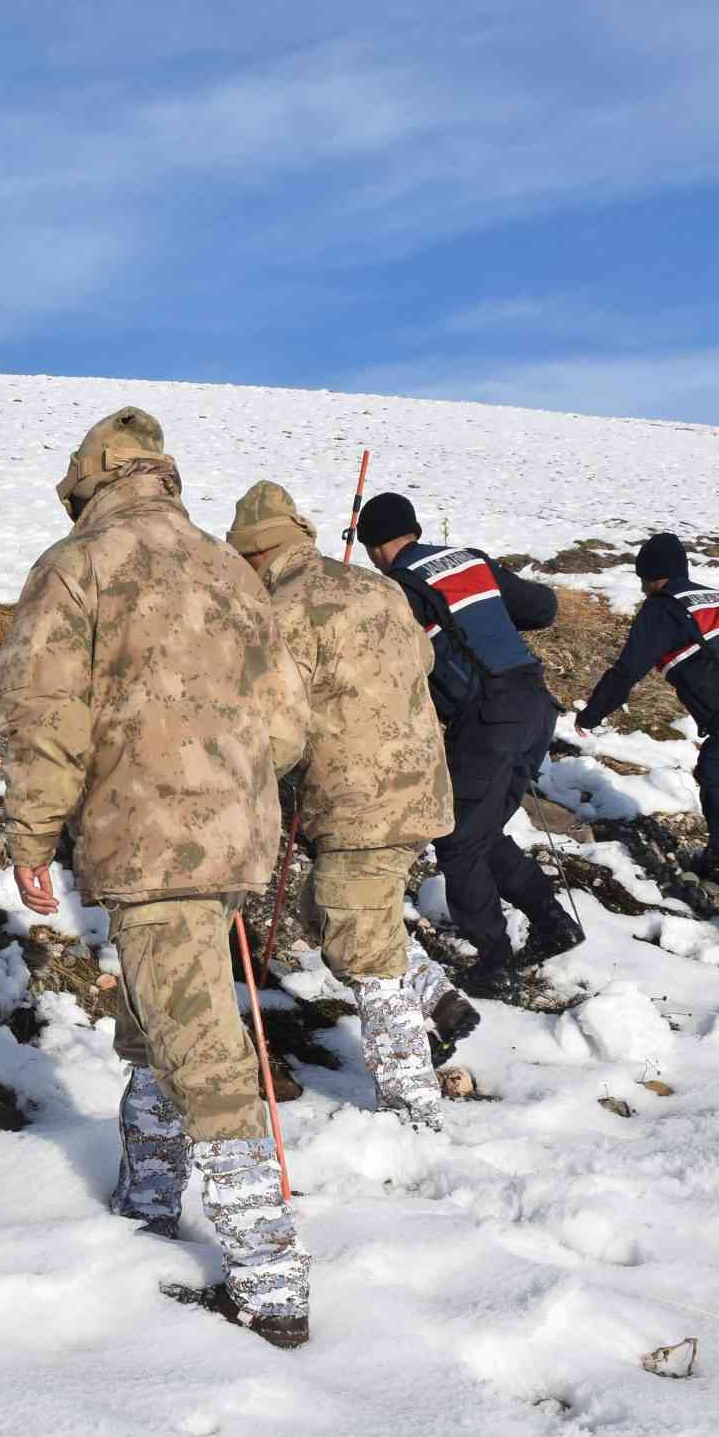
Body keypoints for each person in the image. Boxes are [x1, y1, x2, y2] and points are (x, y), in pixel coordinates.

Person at [0, 407, 313, 1349]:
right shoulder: (227, 567)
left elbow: (43, 713)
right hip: (232, 834)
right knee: (163, 1019)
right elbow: (290, 721)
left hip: (148, 834)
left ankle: (270, 1277)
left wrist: (30, 831)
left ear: (87, 481)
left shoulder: (76, 565)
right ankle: (147, 1200)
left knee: (203, 1051)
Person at [228, 482, 458, 1126]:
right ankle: (435, 993)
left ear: (253, 556)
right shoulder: (378, 586)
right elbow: (425, 655)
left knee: (357, 941)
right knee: (329, 910)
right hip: (419, 783)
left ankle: (414, 1102)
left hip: (360, 798)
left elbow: (278, 718)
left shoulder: (286, 608)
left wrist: (245, 786)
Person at [355, 492, 582, 1004]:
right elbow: (541, 608)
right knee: (481, 834)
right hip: (536, 707)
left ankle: (494, 961)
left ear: (374, 547)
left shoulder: (400, 588)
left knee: (456, 841)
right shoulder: (468, 560)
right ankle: (552, 925)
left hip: (489, 718)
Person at [577, 532, 719, 944]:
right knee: (717, 778)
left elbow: (627, 671)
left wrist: (591, 715)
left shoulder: (662, 610)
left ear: (649, 576)